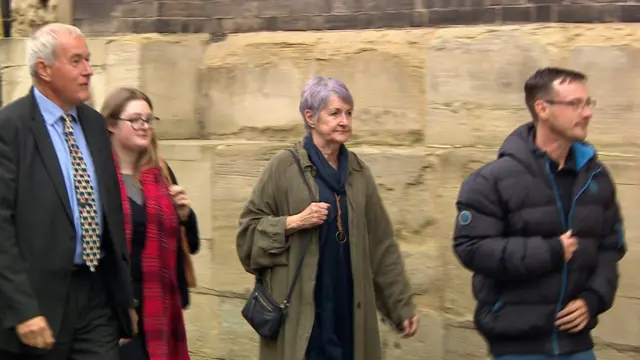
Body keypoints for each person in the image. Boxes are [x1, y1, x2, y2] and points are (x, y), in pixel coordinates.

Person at [236, 76, 419, 360]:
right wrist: (293, 222)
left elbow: (382, 246)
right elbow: (247, 237)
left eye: (348, 113)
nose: (344, 121)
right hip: (303, 315)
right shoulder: (283, 167)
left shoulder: (359, 173)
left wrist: (400, 306)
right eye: (335, 113)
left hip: (348, 312)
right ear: (310, 117)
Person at [452, 67, 627, 360]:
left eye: (588, 103)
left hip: (578, 344)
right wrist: (550, 250)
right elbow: (471, 248)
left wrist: (592, 299)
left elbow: (611, 248)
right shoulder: (491, 180)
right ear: (542, 108)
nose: (587, 113)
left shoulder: (596, 177)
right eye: (575, 104)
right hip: (518, 344)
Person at [0, 23, 135, 359]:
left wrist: (124, 297)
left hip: (96, 296)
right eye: (76, 61)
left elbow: (110, 213)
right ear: (43, 69)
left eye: (88, 60)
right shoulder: (10, 128)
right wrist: (22, 309)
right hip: (38, 305)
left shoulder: (93, 124)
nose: (88, 70)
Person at [100, 87, 200, 360]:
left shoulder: (160, 173)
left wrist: (184, 215)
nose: (144, 126)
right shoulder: (98, 177)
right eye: (135, 120)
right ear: (111, 124)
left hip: (161, 309)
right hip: (115, 314)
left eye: (148, 119)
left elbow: (192, 244)